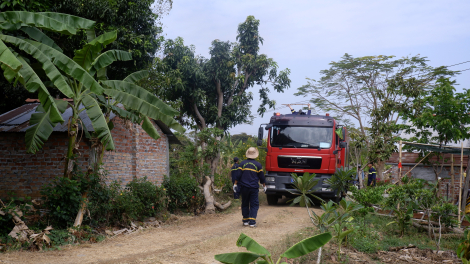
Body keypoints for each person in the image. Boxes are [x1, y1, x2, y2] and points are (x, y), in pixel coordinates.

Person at [233, 147, 266, 227]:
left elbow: (238, 175)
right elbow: (261, 177)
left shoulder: (242, 164)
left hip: (244, 187)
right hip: (254, 188)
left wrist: (235, 184)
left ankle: (245, 221)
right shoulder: (258, 165)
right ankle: (252, 222)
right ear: (255, 155)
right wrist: (264, 185)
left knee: (245, 203)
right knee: (254, 204)